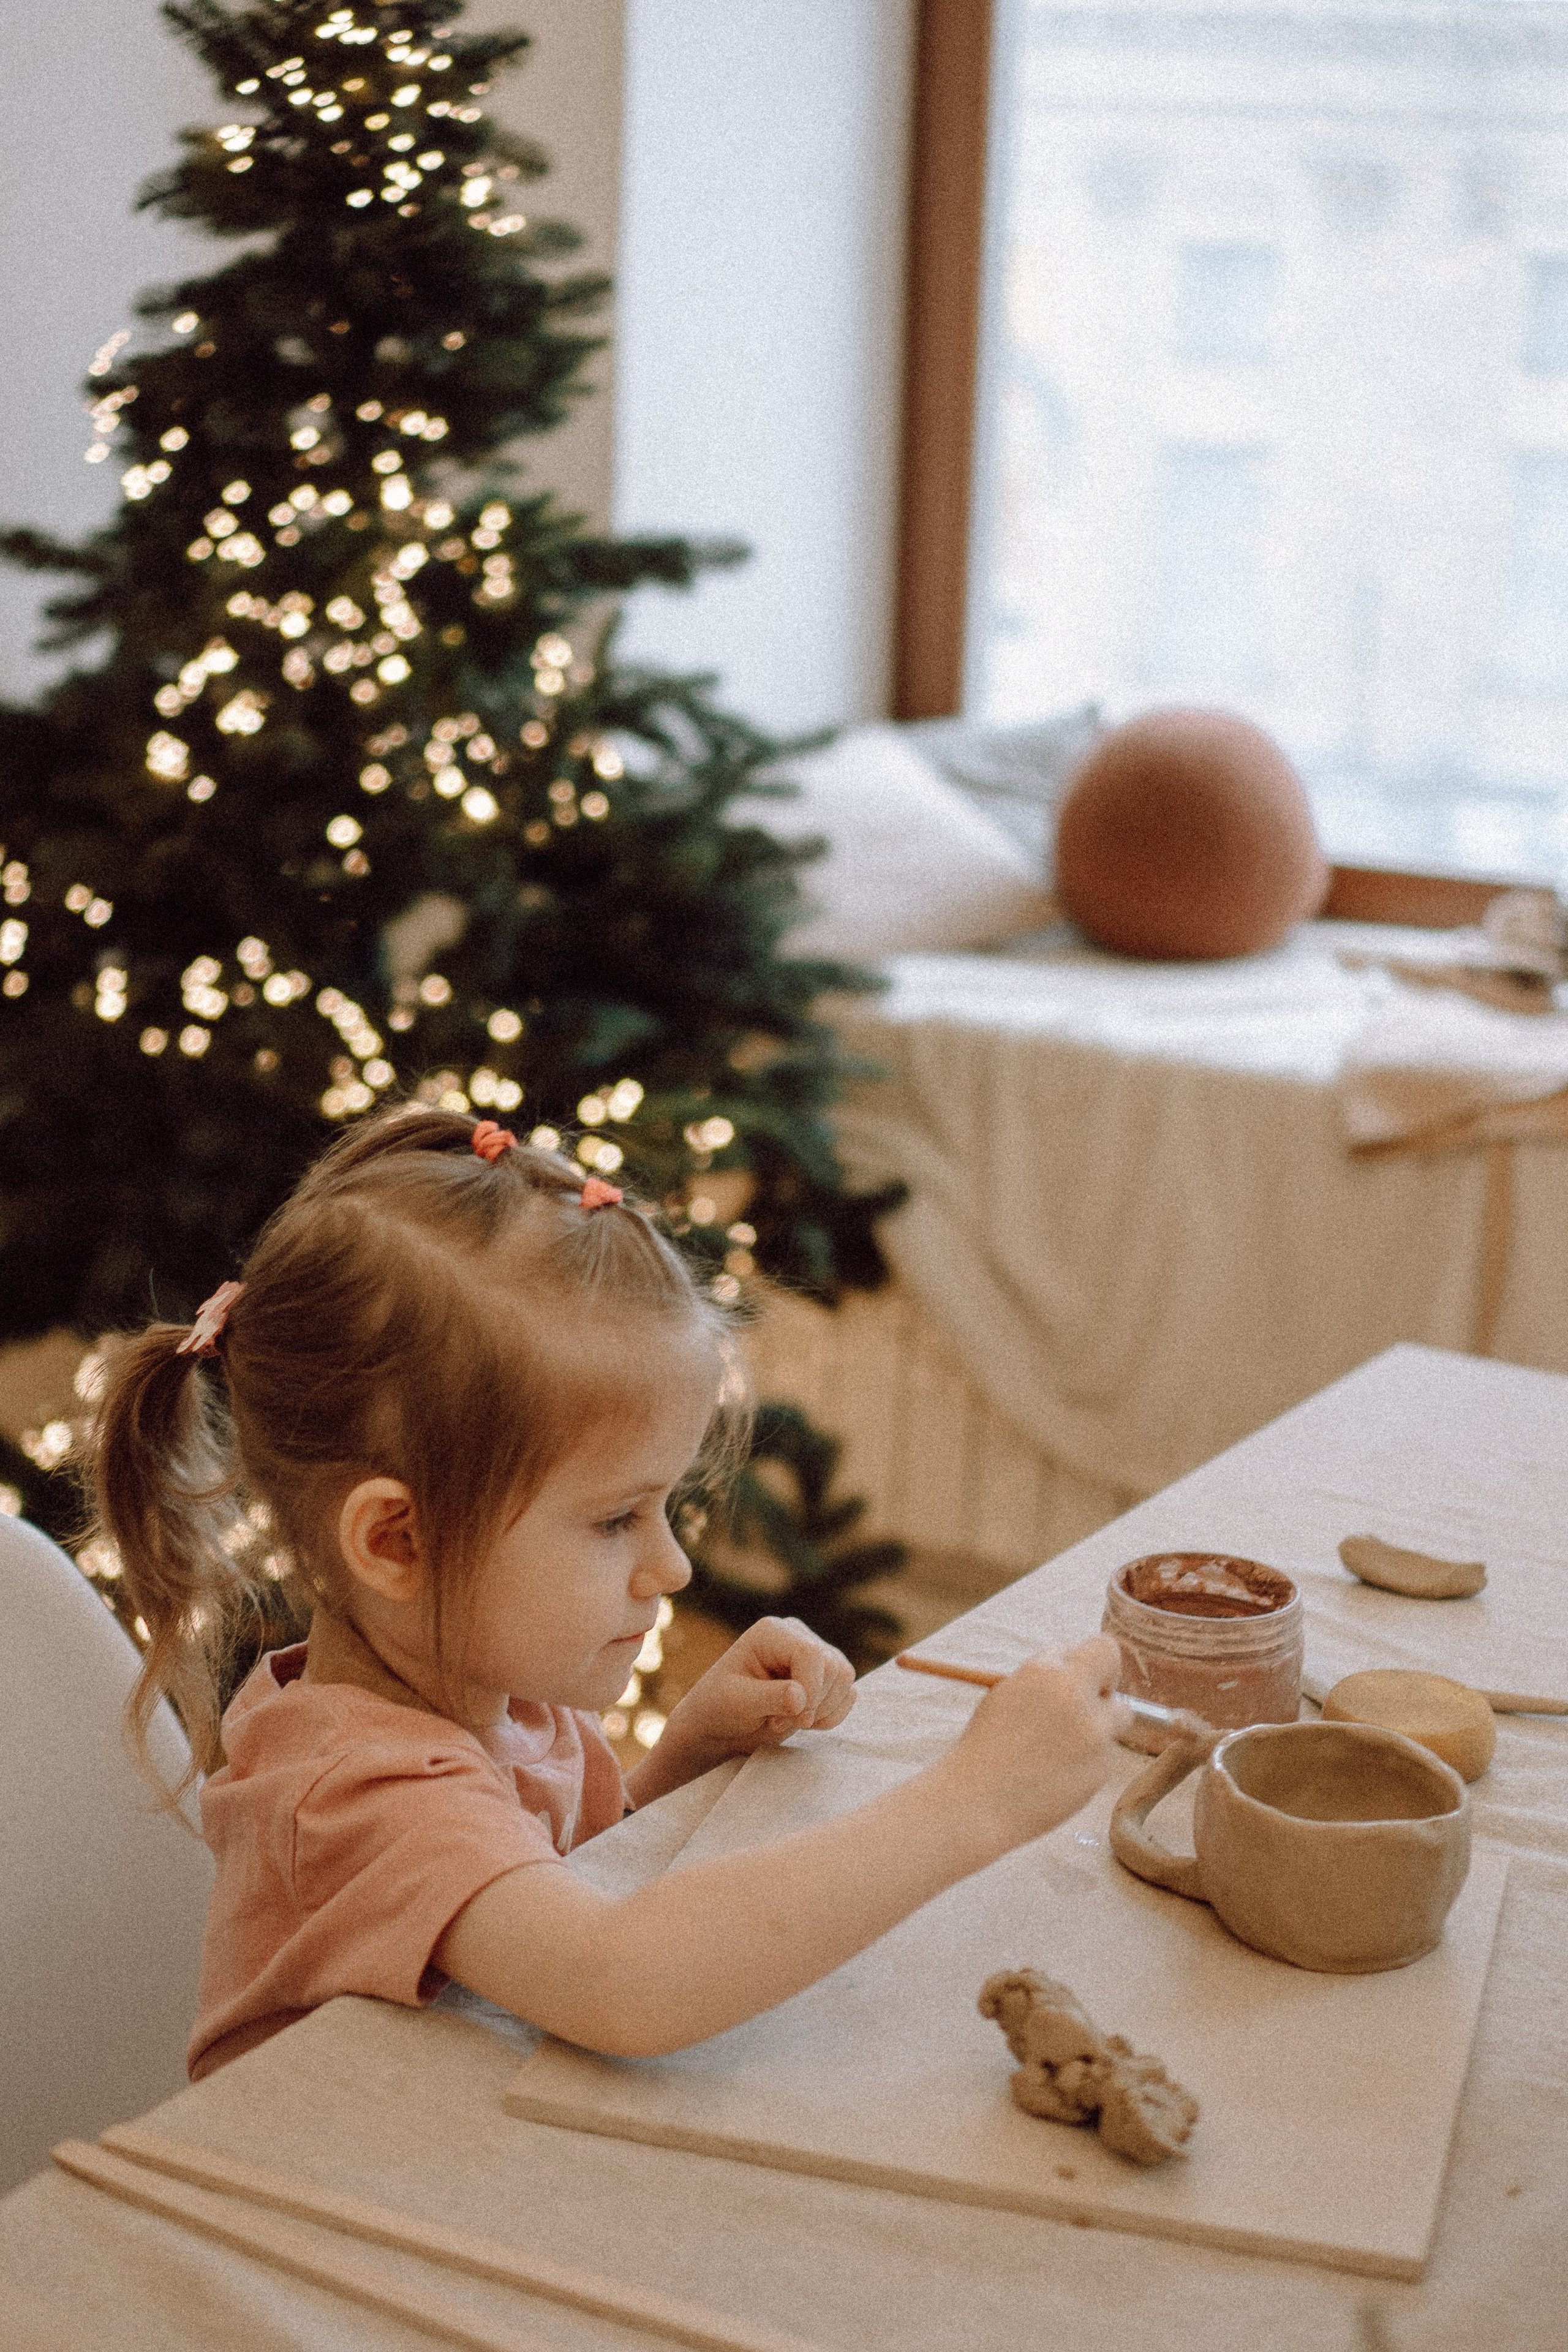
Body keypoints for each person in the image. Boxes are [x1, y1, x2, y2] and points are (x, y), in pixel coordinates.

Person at [88, 1107, 1125, 2080]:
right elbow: (620, 1981)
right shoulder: (353, 1789)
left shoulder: (497, 1688)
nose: (671, 1566)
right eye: (614, 1519)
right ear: (398, 1540)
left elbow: (534, 1890)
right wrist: (972, 1802)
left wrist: (683, 1758)